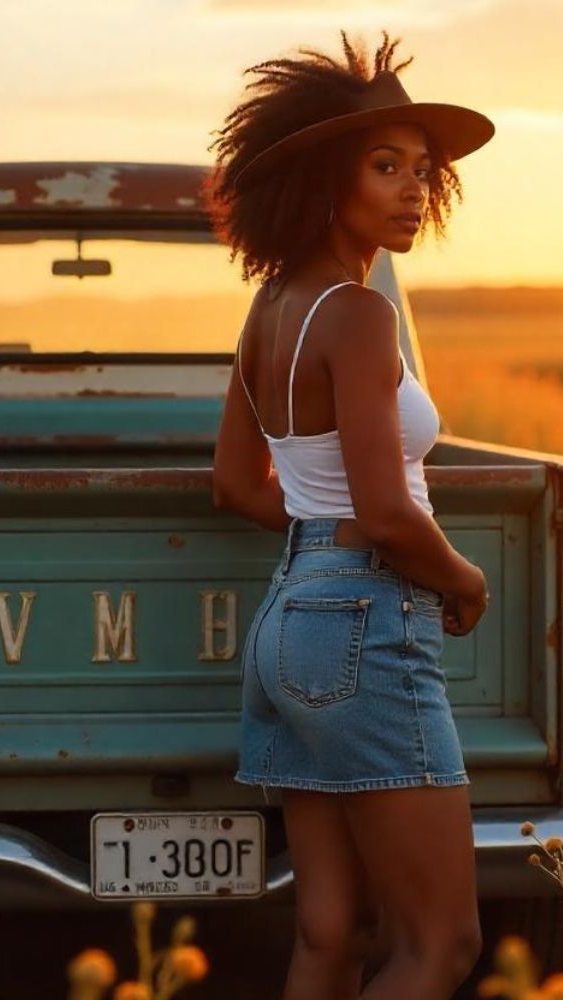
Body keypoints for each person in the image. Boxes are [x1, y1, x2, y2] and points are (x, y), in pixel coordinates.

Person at [207, 29, 494, 1000]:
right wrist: (462, 575)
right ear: (325, 177)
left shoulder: (270, 309)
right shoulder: (362, 316)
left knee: (333, 934)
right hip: (366, 621)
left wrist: (322, 544)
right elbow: (386, 513)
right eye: (386, 167)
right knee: (439, 945)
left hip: (290, 619)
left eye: (424, 170)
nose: (415, 189)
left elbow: (240, 486)